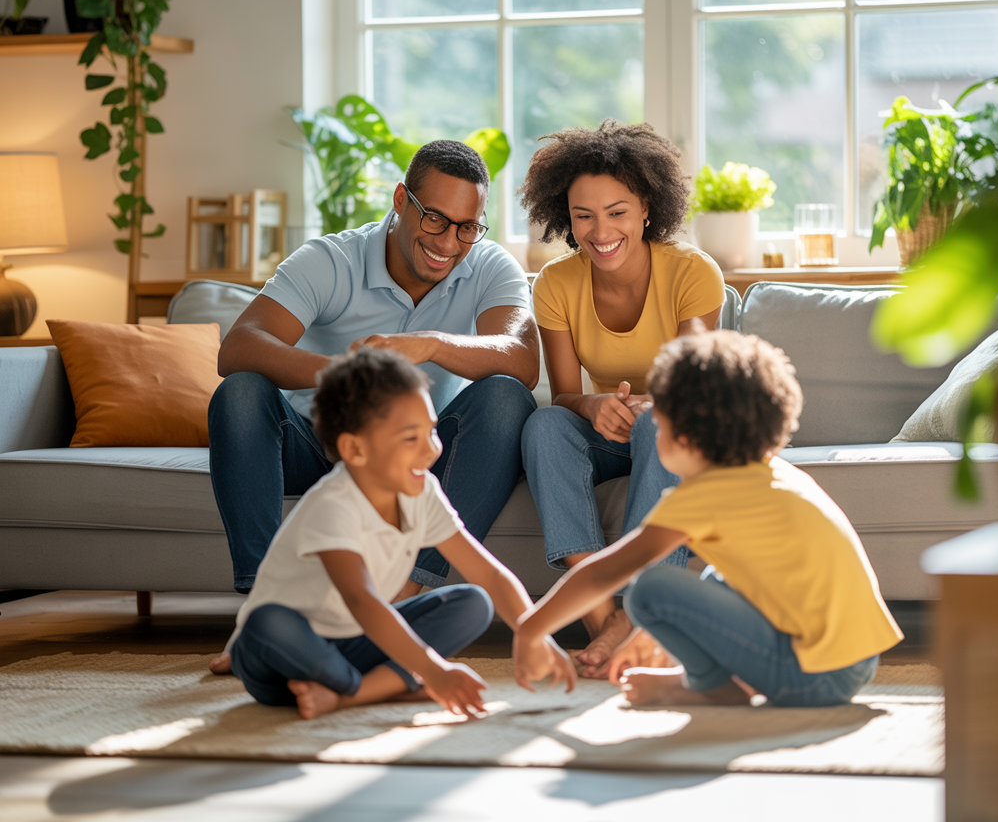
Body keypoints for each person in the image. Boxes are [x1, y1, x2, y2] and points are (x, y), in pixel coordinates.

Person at [208, 140, 537, 600]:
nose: (447, 243)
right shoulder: (330, 260)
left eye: (466, 228)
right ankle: (266, 607)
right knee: (240, 391)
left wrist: (432, 344)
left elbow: (521, 358)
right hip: (319, 448)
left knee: (506, 395)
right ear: (401, 200)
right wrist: (345, 376)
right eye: (436, 219)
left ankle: (408, 592)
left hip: (420, 459)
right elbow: (238, 347)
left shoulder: (490, 266)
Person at [513, 331, 904, 707]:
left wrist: (530, 631)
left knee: (650, 587)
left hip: (812, 676)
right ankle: (715, 686)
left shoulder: (705, 494)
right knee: (719, 577)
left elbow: (604, 573)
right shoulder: (775, 474)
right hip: (855, 664)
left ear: (683, 438)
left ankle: (711, 685)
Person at [227, 347, 574, 719]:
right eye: (411, 438)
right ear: (355, 449)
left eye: (432, 432)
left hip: (356, 644)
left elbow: (487, 572)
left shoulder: (422, 490)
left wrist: (534, 631)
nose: (431, 451)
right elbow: (363, 602)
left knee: (472, 602)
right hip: (288, 657)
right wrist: (432, 669)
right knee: (268, 623)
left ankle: (350, 694)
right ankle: (373, 687)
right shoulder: (333, 504)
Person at [517, 120, 725, 678]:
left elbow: (692, 388)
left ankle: (636, 614)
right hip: (610, 430)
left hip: (678, 431)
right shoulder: (555, 284)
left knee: (659, 421)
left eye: (617, 212)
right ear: (566, 217)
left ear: (647, 209)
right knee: (542, 427)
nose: (600, 230)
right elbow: (563, 394)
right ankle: (603, 618)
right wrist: (592, 406)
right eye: (583, 215)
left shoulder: (693, 272)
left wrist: (647, 409)